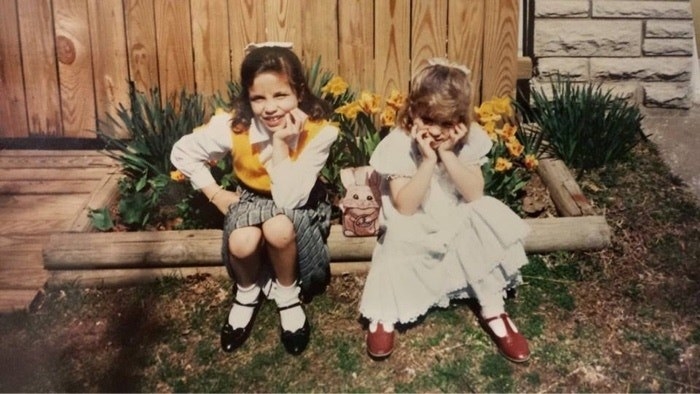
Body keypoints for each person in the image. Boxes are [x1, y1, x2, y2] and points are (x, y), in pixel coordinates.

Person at [358, 58, 531, 363]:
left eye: (447, 123)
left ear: (461, 119)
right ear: (413, 111)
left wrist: (448, 154)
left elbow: (474, 193)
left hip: (453, 213)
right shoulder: (400, 143)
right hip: (415, 217)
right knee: (397, 238)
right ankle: (384, 313)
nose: (437, 131)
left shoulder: (466, 140)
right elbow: (406, 207)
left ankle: (494, 309)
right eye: (428, 119)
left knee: (479, 217)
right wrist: (427, 161)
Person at [170, 42, 338, 355]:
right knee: (242, 242)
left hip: (298, 201)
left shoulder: (319, 132)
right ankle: (246, 292)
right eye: (258, 98)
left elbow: (290, 198)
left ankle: (287, 295)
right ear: (248, 97)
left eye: (280, 95)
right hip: (250, 197)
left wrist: (279, 142)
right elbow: (182, 153)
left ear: (299, 93)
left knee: (278, 229)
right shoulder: (236, 126)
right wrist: (216, 193)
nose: (269, 108)